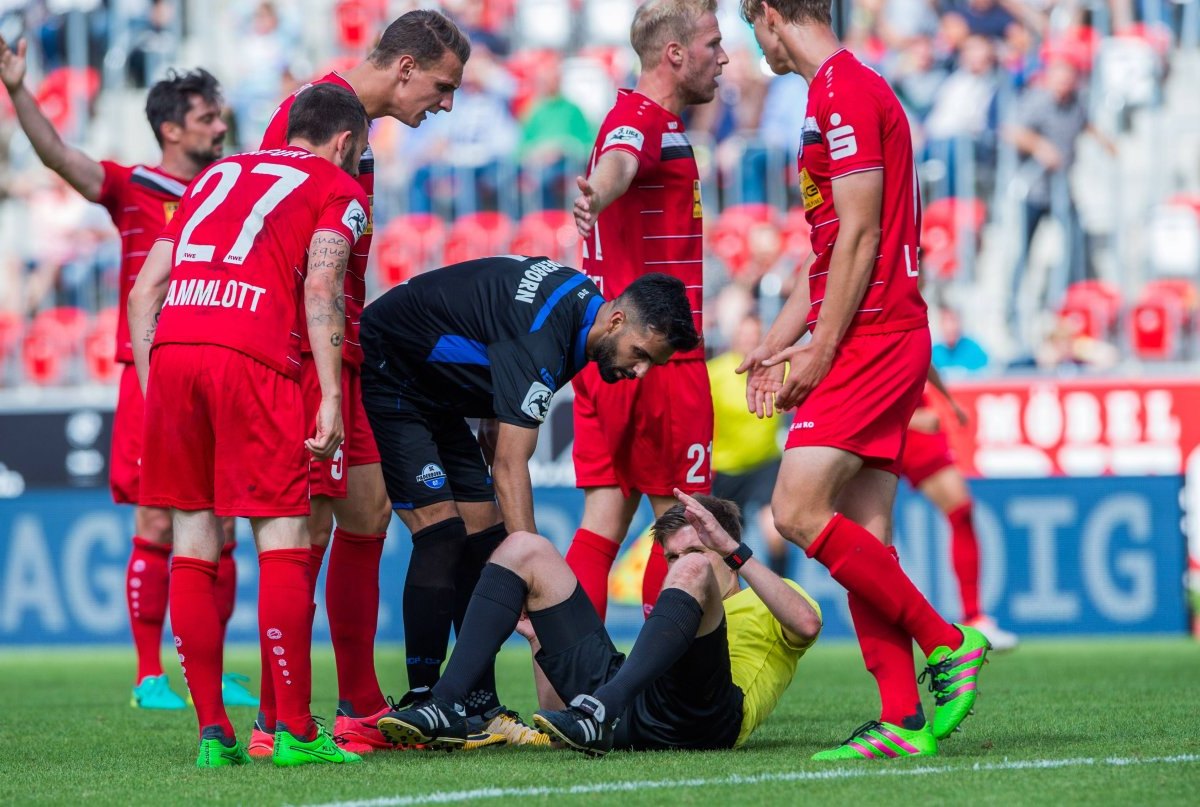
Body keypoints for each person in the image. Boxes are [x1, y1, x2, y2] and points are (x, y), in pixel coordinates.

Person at [737, 0, 991, 760]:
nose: (755, 44)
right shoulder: (841, 89)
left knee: (794, 508)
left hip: (871, 336)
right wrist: (776, 342)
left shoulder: (841, 90)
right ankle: (901, 720)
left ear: (772, 14)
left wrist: (817, 350)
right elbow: (826, 249)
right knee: (866, 536)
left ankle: (948, 641)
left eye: (752, 26)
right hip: (879, 330)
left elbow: (862, 232)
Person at [0, 40, 256, 711]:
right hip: (150, 372)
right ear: (172, 128)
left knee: (224, 523)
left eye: (220, 114)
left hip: (220, 367)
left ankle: (213, 667)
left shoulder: (234, 188)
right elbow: (59, 157)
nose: (220, 126)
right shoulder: (133, 186)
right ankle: (149, 676)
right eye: (207, 117)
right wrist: (19, 89)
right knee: (157, 518)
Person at [126, 83, 371, 768]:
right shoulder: (337, 188)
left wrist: (157, 386)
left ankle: (214, 735)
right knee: (284, 535)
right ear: (347, 143)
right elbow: (322, 288)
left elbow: (145, 288)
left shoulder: (213, 175)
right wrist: (328, 392)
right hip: (253, 354)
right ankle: (293, 729)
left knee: (194, 538)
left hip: (175, 351)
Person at [251, 8, 471, 756]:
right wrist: (311, 371)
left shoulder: (354, 134)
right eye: (441, 87)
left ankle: (353, 702)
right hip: (299, 356)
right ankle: (288, 714)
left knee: (367, 507)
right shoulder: (308, 116)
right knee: (306, 525)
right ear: (405, 67)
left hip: (339, 348)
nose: (444, 105)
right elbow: (269, 233)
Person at [359, 257, 700, 738]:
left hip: (442, 389)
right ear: (618, 320)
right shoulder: (550, 334)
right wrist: (532, 575)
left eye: (651, 364)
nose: (640, 372)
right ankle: (424, 701)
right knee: (442, 535)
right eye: (640, 354)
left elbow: (504, 379)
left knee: (485, 537)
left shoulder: (583, 319)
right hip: (394, 368)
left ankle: (475, 703)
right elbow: (509, 465)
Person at [376, 491, 821, 755]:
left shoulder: (771, 594)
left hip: (705, 716)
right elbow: (553, 708)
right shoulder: (677, 603)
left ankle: (601, 709)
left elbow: (806, 624)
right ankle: (446, 703)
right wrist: (539, 644)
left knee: (694, 576)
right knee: (524, 547)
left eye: (695, 549)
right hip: (627, 698)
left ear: (728, 548)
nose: (679, 564)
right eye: (670, 556)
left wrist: (730, 550)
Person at [566, 0, 728, 625]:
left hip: (603, 353)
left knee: (602, 523)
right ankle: (667, 698)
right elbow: (620, 163)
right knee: (683, 524)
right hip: (657, 354)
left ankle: (572, 693)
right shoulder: (641, 121)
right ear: (675, 54)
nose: (724, 56)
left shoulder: (636, 117)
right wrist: (598, 193)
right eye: (714, 43)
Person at [902, 368, 1018, 651]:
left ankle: (972, 615)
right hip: (894, 423)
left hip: (908, 416)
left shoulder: (910, 326)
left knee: (961, 511)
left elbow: (920, 352)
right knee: (865, 530)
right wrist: (910, 419)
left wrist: (948, 400)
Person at [709, 313, 790, 576]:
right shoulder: (715, 372)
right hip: (727, 470)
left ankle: (782, 595)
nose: (748, 341)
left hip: (766, 464)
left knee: (774, 533)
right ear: (734, 339)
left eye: (754, 336)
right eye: (744, 336)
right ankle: (736, 605)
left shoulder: (779, 369)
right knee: (728, 548)